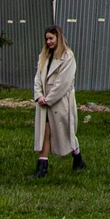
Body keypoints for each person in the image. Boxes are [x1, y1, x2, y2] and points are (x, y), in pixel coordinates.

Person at [32, 25, 81, 179]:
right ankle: (42, 168)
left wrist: (49, 99)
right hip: (44, 102)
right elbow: (38, 78)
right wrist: (39, 95)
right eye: (46, 39)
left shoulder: (68, 57)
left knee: (66, 133)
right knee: (45, 133)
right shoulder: (44, 56)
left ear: (58, 38)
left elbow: (63, 83)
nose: (48, 42)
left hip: (60, 102)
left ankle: (78, 158)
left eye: (51, 38)